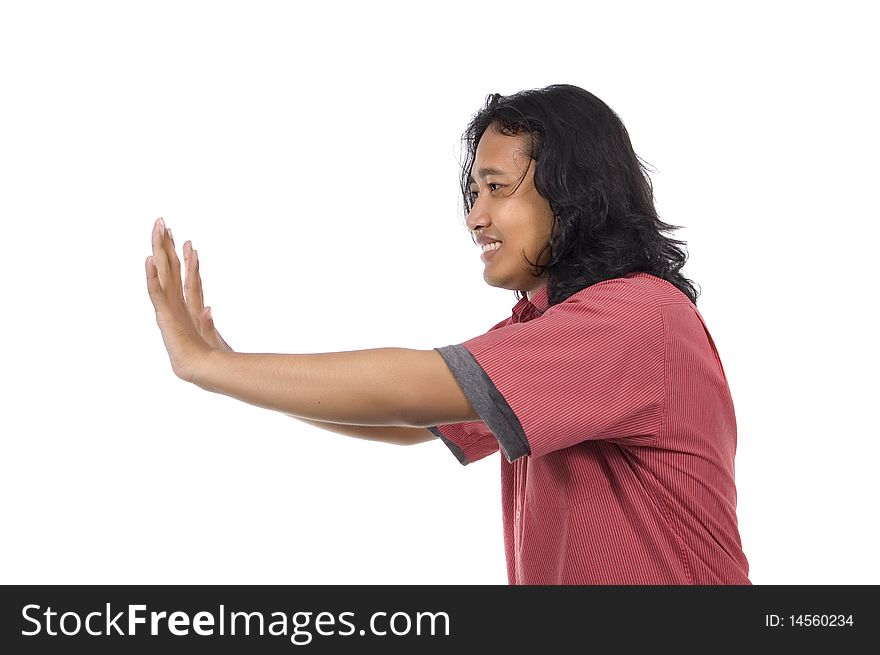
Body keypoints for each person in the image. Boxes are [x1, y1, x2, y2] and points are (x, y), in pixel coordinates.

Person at [145, 83, 750, 585]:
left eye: (496, 188)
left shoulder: (634, 317)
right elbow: (408, 422)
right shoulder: (549, 329)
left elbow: (412, 387)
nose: (474, 216)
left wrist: (210, 366)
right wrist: (229, 368)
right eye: (472, 192)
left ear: (573, 193)